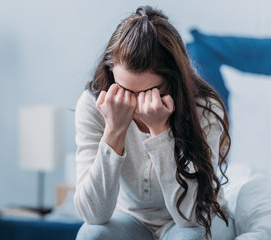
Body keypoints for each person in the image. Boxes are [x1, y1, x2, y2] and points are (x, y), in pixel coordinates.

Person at [73, 5, 236, 240]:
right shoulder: (95, 104)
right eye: (126, 89)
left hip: (199, 218)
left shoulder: (204, 109)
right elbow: (94, 215)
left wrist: (160, 133)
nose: (138, 104)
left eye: (150, 91)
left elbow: (191, 218)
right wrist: (114, 131)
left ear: (173, 81)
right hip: (130, 219)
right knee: (92, 235)